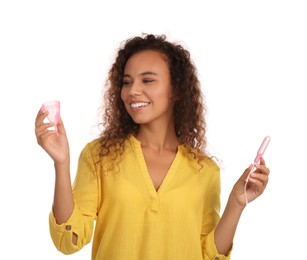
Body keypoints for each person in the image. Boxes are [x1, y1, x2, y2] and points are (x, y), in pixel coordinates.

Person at [35, 34, 270, 260]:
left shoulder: (204, 171)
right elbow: (69, 240)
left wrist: (236, 204)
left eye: (147, 80)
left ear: (176, 89)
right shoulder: (99, 156)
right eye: (127, 82)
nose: (132, 91)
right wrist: (61, 163)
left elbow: (209, 255)